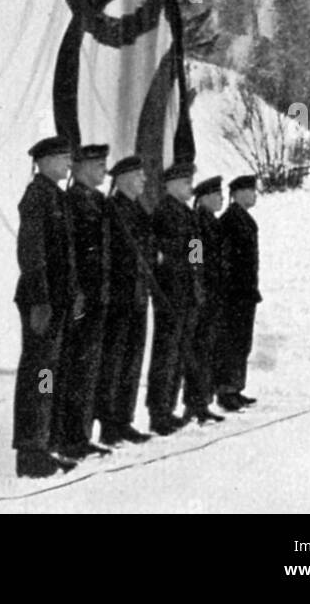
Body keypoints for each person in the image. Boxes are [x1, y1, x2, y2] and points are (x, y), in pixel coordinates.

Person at [12, 135, 81, 478]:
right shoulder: (38, 196)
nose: (69, 163)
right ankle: (32, 449)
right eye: (63, 157)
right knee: (40, 373)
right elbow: (31, 253)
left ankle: (43, 443)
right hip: (43, 302)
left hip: (57, 301)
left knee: (48, 373)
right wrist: (40, 300)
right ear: (45, 161)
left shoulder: (55, 196)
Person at [56, 144, 112, 459]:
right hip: (81, 299)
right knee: (74, 369)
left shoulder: (99, 201)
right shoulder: (73, 201)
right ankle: (70, 437)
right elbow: (70, 254)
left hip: (99, 296)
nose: (104, 169)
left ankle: (81, 433)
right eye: (98, 164)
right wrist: (77, 292)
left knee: (91, 369)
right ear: (79, 168)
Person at [96, 155, 153, 447]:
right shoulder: (115, 209)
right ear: (124, 179)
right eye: (139, 175)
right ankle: (110, 423)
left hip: (138, 296)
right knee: (115, 361)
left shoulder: (136, 209)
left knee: (132, 361)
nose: (144, 180)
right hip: (120, 296)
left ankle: (123, 419)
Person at [146, 158, 204, 436]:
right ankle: (158, 412)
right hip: (170, 293)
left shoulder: (187, 213)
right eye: (185, 183)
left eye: (190, 183)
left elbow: (195, 252)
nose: (189, 188)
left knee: (178, 354)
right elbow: (162, 258)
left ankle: (168, 407)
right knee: (166, 354)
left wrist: (197, 279)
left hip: (187, 292)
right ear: (170, 185)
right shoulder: (164, 213)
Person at [216, 174, 261, 412]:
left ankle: (235, 387)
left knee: (242, 341)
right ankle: (226, 390)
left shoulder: (243, 219)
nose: (255, 194)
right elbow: (219, 258)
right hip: (233, 293)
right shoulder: (230, 220)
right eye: (251, 190)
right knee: (231, 342)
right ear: (239, 193)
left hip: (245, 292)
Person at [188, 176, 225, 424]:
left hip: (214, 293)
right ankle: (197, 403)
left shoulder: (212, 222)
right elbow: (195, 258)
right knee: (200, 350)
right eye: (216, 194)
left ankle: (204, 400)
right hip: (205, 293)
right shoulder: (198, 223)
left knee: (209, 349)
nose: (221, 198)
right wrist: (198, 285)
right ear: (203, 198)